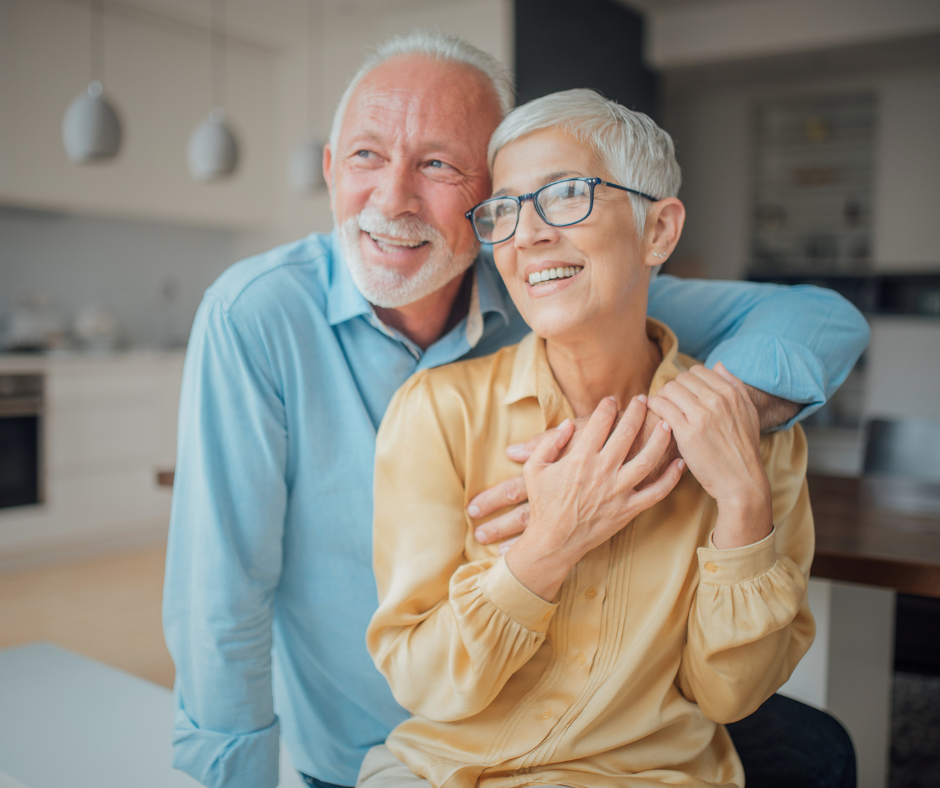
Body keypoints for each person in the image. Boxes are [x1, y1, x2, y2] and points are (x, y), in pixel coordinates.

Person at [163, 31, 865, 788]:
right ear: (332, 170)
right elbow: (221, 594)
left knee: (818, 750)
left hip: (615, 728)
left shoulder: (555, 281)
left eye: (437, 164)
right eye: (366, 156)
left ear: (479, 200)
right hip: (397, 741)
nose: (393, 197)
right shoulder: (260, 315)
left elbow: (820, 319)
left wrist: (653, 442)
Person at [363, 88, 816, 788]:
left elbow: (729, 695)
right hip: (442, 775)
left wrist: (744, 509)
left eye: (567, 194)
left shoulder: (756, 436)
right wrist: (549, 546)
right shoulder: (436, 411)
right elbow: (420, 679)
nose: (529, 234)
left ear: (659, 232)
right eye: (506, 210)